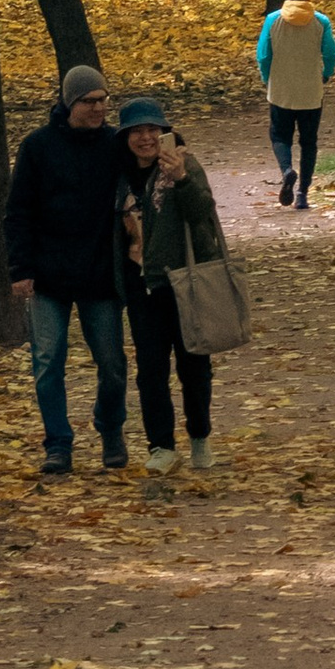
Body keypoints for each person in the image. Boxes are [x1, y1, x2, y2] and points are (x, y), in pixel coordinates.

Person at [6, 64, 129, 476]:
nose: (98, 109)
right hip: (48, 275)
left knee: (112, 364)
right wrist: (20, 268)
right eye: (89, 101)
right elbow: (18, 210)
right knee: (47, 362)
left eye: (103, 101)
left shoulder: (116, 144)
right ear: (68, 102)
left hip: (99, 274)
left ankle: (110, 429)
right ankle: (58, 443)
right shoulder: (38, 147)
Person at [115, 97, 226, 473]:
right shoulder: (118, 173)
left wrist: (181, 179)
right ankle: (161, 445)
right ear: (126, 136)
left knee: (194, 365)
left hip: (183, 281)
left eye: (153, 130)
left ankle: (200, 438)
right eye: (137, 131)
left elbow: (202, 213)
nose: (146, 138)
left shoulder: (183, 164)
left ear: (165, 132)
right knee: (150, 369)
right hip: (141, 284)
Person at [255, 0, 335, 207]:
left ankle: (286, 170)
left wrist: (266, 77)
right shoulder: (321, 21)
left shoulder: (273, 20)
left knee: (280, 136)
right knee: (309, 142)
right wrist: (326, 74)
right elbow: (331, 52)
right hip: (311, 92)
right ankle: (303, 193)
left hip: (280, 90)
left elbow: (263, 55)